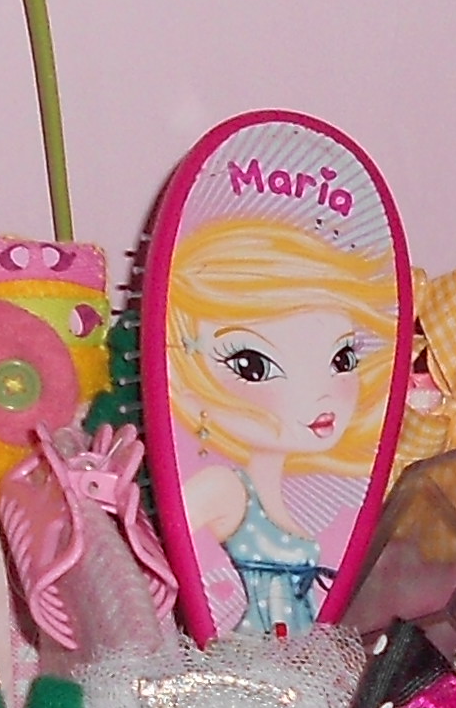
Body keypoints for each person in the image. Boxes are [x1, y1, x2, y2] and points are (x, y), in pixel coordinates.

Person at [164, 211, 400, 635]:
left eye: (341, 359)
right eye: (253, 366)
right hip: (245, 659)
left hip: (296, 660)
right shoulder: (224, 488)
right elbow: (151, 569)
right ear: (189, 380)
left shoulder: (274, 496)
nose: (320, 394)